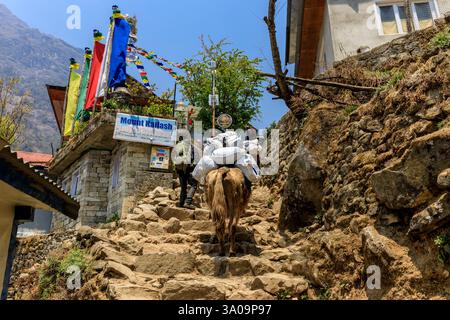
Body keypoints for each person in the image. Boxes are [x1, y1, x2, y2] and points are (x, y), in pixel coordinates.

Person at [174, 137, 197, 209]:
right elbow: (194, 159)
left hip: (180, 169)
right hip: (188, 169)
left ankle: (181, 203)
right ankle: (187, 202)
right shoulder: (192, 147)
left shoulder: (179, 145)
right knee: (194, 185)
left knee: (183, 187)